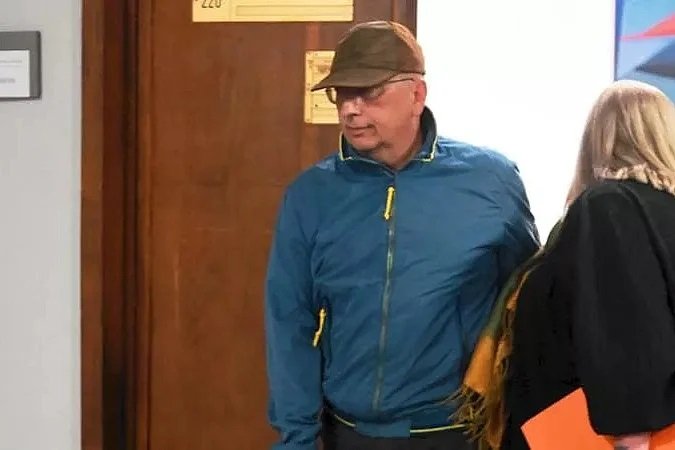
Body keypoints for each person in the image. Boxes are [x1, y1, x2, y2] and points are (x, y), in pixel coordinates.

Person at [263, 20, 539, 450]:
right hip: (347, 433)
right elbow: (289, 321)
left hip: (455, 434)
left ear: (417, 94)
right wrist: (296, 439)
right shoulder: (310, 195)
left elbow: (523, 305)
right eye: (342, 94)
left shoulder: (491, 182)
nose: (351, 110)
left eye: (369, 92)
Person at [455, 79, 675, 450]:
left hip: (594, 436)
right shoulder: (660, 212)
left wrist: (630, 434)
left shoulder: (609, 206)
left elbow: (625, 326)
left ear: (597, 139)